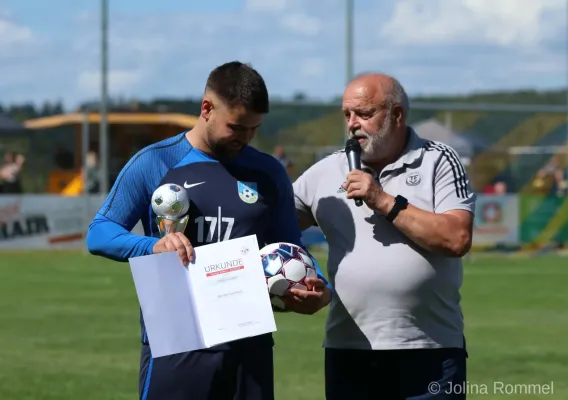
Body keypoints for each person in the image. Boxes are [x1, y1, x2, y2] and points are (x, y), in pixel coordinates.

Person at [86, 61, 331, 400]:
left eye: (253, 129)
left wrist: (318, 286)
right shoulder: (155, 162)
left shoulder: (268, 172)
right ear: (206, 109)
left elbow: (290, 245)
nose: (245, 138)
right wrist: (152, 247)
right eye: (236, 127)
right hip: (176, 343)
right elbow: (99, 232)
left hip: (250, 342)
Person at [293, 73, 475, 399]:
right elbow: (271, 225)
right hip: (349, 350)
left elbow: (456, 238)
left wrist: (383, 200)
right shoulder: (326, 171)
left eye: (364, 114)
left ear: (397, 115)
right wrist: (300, 277)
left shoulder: (438, 160)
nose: (352, 124)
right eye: (347, 114)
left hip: (430, 350)